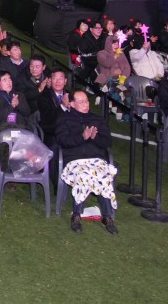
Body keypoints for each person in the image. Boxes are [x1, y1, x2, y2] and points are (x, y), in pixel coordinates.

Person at [56, 89, 118, 234]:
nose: (86, 104)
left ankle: (107, 217)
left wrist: (94, 137)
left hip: (96, 160)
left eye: (86, 101)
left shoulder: (97, 120)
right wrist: (82, 137)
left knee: (103, 175)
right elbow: (62, 141)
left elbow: (108, 142)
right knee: (84, 175)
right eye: (81, 102)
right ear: (72, 104)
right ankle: (76, 215)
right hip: (74, 161)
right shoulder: (64, 120)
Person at [0, 69, 30, 134]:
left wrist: (18, 104)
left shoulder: (19, 95)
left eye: (9, 79)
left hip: (21, 129)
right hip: (4, 130)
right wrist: (11, 106)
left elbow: (27, 113)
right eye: (4, 80)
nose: (8, 82)